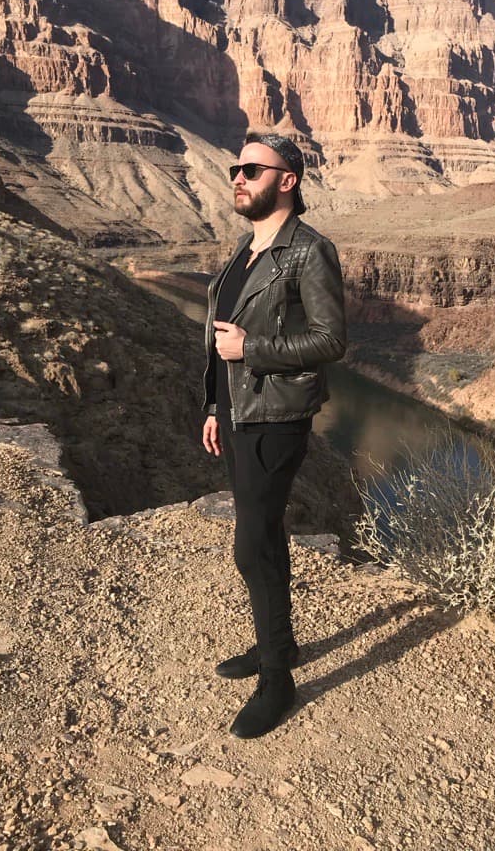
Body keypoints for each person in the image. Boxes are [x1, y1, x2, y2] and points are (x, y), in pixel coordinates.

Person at [201, 130, 347, 739]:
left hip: (275, 418)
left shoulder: (308, 251)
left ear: (287, 181)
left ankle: (277, 682)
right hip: (235, 414)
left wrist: (252, 349)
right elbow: (217, 339)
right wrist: (213, 404)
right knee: (258, 539)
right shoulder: (246, 249)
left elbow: (332, 340)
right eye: (236, 168)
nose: (238, 177)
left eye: (253, 171)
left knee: (253, 544)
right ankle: (277, 650)